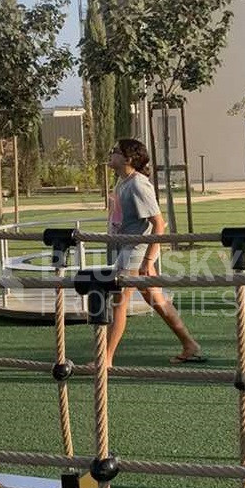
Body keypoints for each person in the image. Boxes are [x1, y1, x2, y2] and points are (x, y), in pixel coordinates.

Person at [104, 138, 202, 367]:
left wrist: (148, 260)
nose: (111, 154)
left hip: (135, 251)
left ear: (128, 159)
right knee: (156, 299)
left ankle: (105, 359)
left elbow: (158, 223)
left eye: (115, 151)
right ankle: (190, 345)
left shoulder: (138, 185)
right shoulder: (123, 182)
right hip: (127, 248)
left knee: (119, 302)